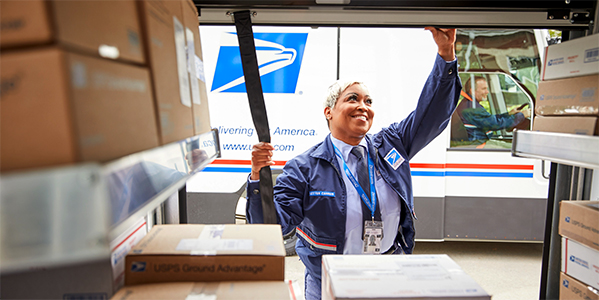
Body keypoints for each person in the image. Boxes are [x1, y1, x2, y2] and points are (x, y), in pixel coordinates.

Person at [246, 28, 461, 300]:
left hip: (387, 273)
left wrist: (445, 54)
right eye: (352, 98)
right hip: (329, 281)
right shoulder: (303, 167)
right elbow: (272, 226)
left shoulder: (392, 145)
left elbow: (432, 113)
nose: (364, 106)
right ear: (328, 112)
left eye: (368, 101)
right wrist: (257, 177)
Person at [455, 76, 531, 141]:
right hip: (478, 145)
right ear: (473, 91)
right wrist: (522, 115)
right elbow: (495, 124)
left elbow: (491, 119)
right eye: (484, 89)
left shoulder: (468, 104)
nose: (487, 92)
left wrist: (509, 113)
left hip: (478, 142)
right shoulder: (472, 108)